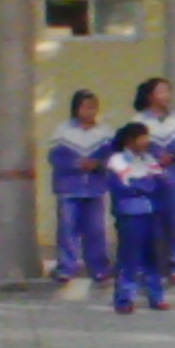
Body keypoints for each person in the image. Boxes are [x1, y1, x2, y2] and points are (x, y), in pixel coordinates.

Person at [47, 89, 114, 283]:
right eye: (86, 107)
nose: (90, 111)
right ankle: (66, 268)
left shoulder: (105, 133)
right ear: (76, 109)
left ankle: (99, 268)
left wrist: (98, 164)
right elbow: (55, 157)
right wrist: (77, 164)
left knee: (96, 230)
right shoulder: (63, 131)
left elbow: (113, 157)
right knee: (68, 229)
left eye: (93, 107)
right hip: (69, 188)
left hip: (95, 189)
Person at [133, 77, 175, 283]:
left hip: (174, 178)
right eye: (161, 91)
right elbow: (133, 146)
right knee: (148, 225)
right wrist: (155, 156)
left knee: (174, 224)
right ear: (150, 96)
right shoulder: (139, 121)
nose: (166, 96)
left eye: (168, 91)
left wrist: (174, 155)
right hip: (148, 178)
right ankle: (146, 267)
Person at [107, 122, 168, 314]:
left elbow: (159, 183)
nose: (146, 141)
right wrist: (144, 184)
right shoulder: (117, 160)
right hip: (129, 213)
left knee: (152, 257)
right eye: (142, 137)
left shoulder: (148, 159)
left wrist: (141, 184)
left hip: (151, 211)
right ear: (129, 140)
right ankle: (124, 299)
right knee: (129, 257)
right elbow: (124, 187)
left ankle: (156, 297)